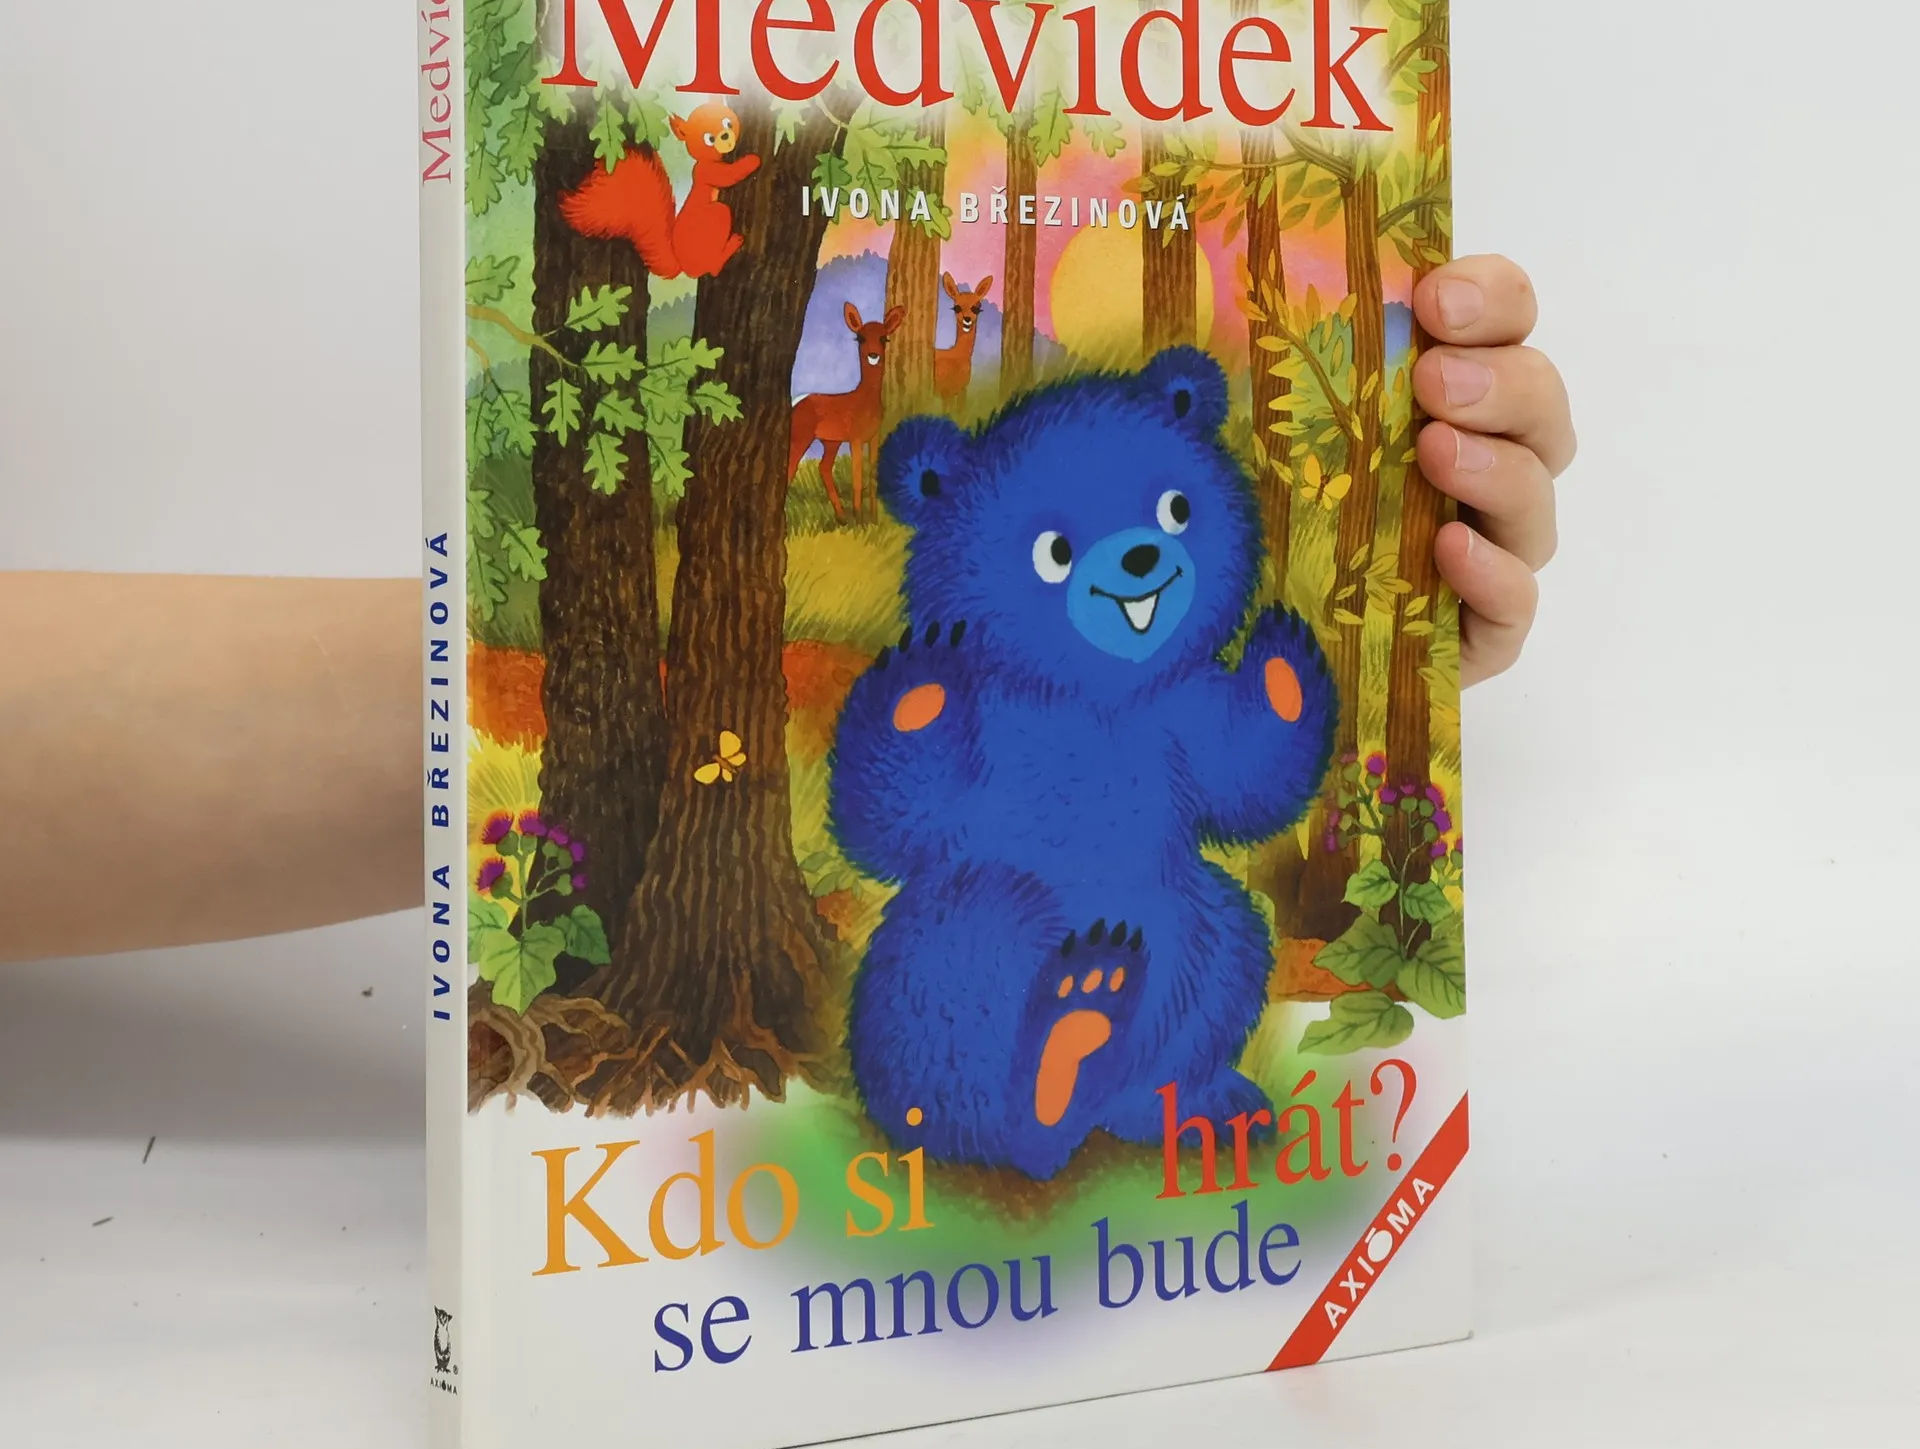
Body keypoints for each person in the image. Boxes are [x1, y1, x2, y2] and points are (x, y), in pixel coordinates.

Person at [0, 256, 1570, 964]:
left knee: (1215, 935)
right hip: (994, 919)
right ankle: (1020, 1063)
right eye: (1058, 554)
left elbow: (1241, 778)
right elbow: (892, 824)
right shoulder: (967, 687)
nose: (1144, 565)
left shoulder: (1158, 680)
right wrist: (894, 727)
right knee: (963, 950)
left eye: (1173, 521)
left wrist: (1341, 659)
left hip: (1155, 898)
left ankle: (1147, 1053)